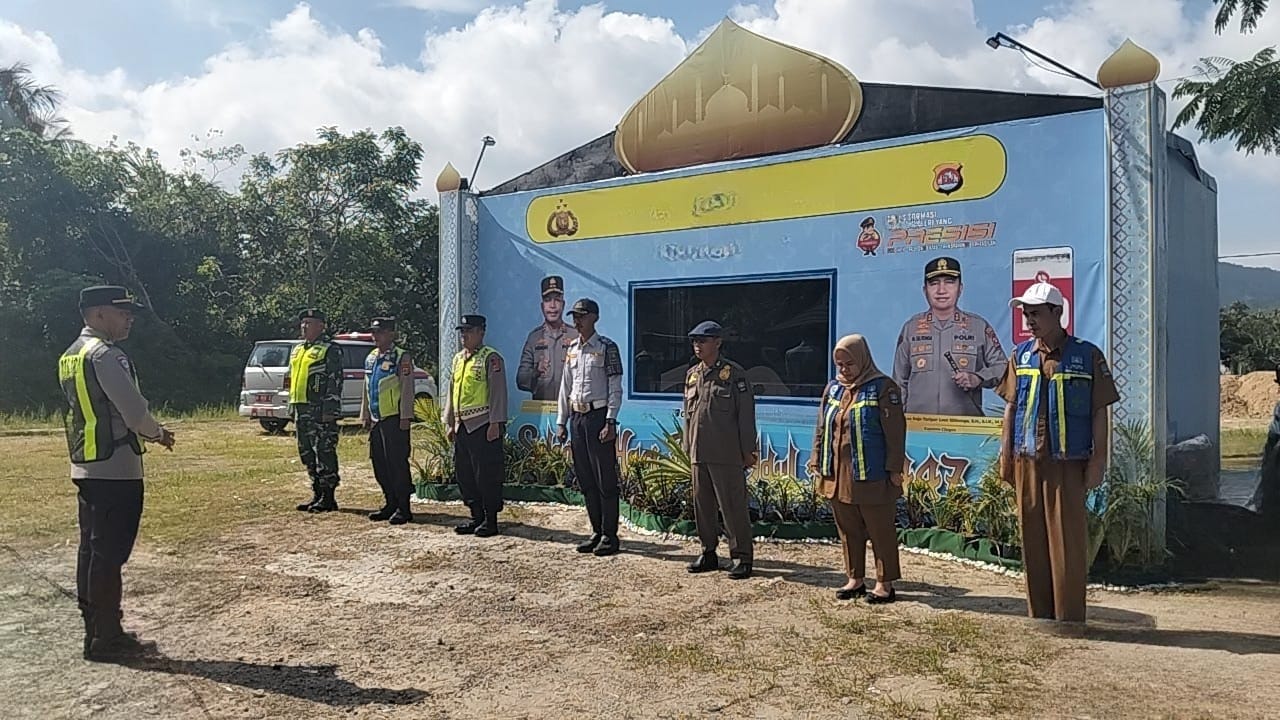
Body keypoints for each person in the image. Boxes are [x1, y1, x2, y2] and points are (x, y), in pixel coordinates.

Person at [59, 285, 176, 661]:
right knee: (109, 554)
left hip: (87, 464)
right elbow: (133, 412)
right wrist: (158, 434)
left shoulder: (71, 355)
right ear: (98, 314)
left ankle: (96, 629)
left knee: (91, 551)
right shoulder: (106, 355)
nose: (129, 319)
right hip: (116, 466)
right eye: (122, 312)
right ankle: (106, 638)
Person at [998, 281, 1119, 624]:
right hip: (1027, 461)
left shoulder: (1087, 355)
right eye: (1026, 314)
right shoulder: (1020, 355)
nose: (1029, 320)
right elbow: (1011, 408)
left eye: (1036, 313)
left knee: (1067, 541)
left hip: (1068, 463)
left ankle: (1069, 619)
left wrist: (1099, 460)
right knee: (1032, 538)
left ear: (1057, 313)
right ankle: (1040, 616)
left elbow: (1099, 411)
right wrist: (1005, 456)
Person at [808, 335, 906, 604]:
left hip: (872, 473)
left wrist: (894, 468)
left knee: (880, 530)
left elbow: (895, 433)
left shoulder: (883, 388)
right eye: (839, 364)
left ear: (862, 359)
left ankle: (884, 584)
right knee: (848, 528)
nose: (844, 369)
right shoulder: (834, 389)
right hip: (837, 474)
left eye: (849, 364)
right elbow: (822, 427)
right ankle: (855, 579)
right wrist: (817, 458)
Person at [683, 320, 758, 580]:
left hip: (726, 452)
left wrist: (748, 450)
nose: (697, 345)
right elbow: (688, 415)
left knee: (732, 506)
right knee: (702, 505)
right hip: (699, 451)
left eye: (703, 341)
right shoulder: (693, 374)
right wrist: (687, 445)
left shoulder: (734, 374)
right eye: (695, 341)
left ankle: (742, 556)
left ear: (717, 342)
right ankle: (708, 552)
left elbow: (745, 416)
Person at [893, 257, 1008, 416]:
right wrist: (897, 420)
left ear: (960, 288)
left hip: (965, 425)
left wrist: (978, 378)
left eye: (949, 282)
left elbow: (1002, 367)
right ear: (925, 290)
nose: (941, 290)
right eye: (934, 284)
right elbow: (899, 381)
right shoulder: (911, 328)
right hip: (918, 424)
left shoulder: (978, 327)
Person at [555, 298, 624, 556]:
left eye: (582, 316)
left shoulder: (607, 347)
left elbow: (615, 387)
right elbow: (565, 387)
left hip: (598, 417)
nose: (577, 321)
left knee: (605, 478)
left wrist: (610, 420)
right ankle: (596, 531)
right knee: (585, 478)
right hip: (577, 418)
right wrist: (561, 421)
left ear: (595, 317)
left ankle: (610, 535)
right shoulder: (572, 348)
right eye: (574, 316)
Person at [442, 314, 508, 537]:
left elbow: (498, 392)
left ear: (481, 332)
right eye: (462, 331)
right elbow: (452, 391)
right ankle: (475, 516)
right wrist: (450, 422)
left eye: (469, 331)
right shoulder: (458, 359)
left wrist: (496, 422)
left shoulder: (491, 358)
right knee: (465, 474)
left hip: (483, 424)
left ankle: (491, 520)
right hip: (462, 425)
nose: (464, 335)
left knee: (486, 474)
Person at [359, 316, 417, 525]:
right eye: (373, 332)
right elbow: (367, 387)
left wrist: (406, 416)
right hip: (377, 418)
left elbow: (407, 388)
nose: (376, 336)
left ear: (391, 334)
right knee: (379, 462)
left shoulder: (401, 357)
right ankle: (390, 502)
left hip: (394, 418)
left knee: (396, 463)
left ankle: (403, 507)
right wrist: (365, 413)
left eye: (380, 332)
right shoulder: (371, 357)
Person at [290, 308, 344, 512]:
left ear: (321, 326)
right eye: (303, 323)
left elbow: (335, 380)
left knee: (324, 450)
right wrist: (291, 407)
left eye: (309, 323)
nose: (304, 327)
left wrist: (330, 409)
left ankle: (328, 497)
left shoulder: (330, 349)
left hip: (320, 410)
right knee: (307, 452)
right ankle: (317, 493)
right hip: (301, 408)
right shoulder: (298, 349)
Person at [517, 275, 578, 401]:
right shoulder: (534, 338)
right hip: (542, 408)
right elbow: (521, 380)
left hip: (570, 408)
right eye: (548, 300)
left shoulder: (575, 336)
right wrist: (536, 371)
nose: (552, 305)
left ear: (563, 304)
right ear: (542, 306)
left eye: (557, 300)